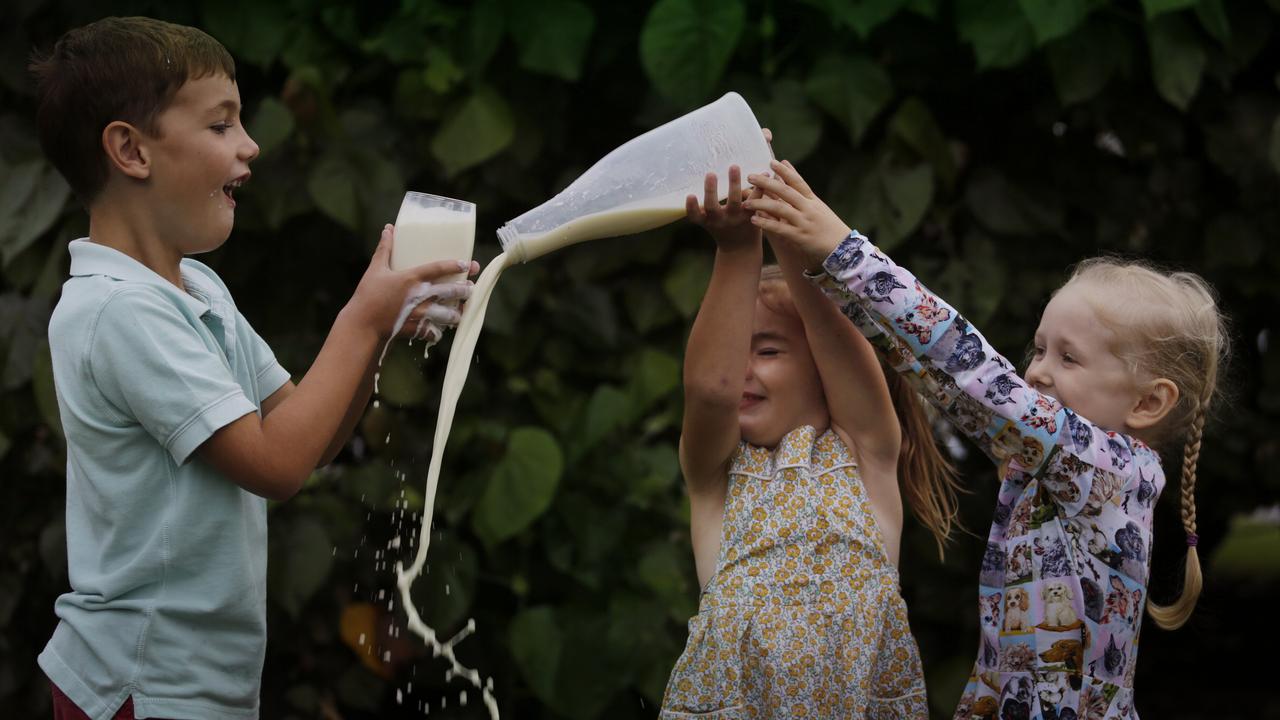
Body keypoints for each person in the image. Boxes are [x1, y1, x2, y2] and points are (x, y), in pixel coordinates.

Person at [29, 17, 474, 719]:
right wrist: (361, 317)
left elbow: (306, 435)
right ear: (130, 150)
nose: (252, 144)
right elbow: (275, 467)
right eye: (220, 126)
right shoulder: (118, 313)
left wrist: (379, 331)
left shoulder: (196, 290)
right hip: (142, 689)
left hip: (200, 687)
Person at [747, 159, 1226, 719]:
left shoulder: (1108, 468)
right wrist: (816, 262)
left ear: (1147, 403)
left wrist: (842, 252)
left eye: (1069, 357)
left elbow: (969, 374)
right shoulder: (1055, 471)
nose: (1039, 372)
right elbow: (940, 377)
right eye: (1040, 349)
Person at [660, 161, 960, 718]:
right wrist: (736, 249)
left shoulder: (866, 451)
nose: (742, 368)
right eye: (736, 348)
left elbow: (839, 341)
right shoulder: (717, 474)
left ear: (822, 370)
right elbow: (710, 387)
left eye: (768, 350)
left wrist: (785, 225)